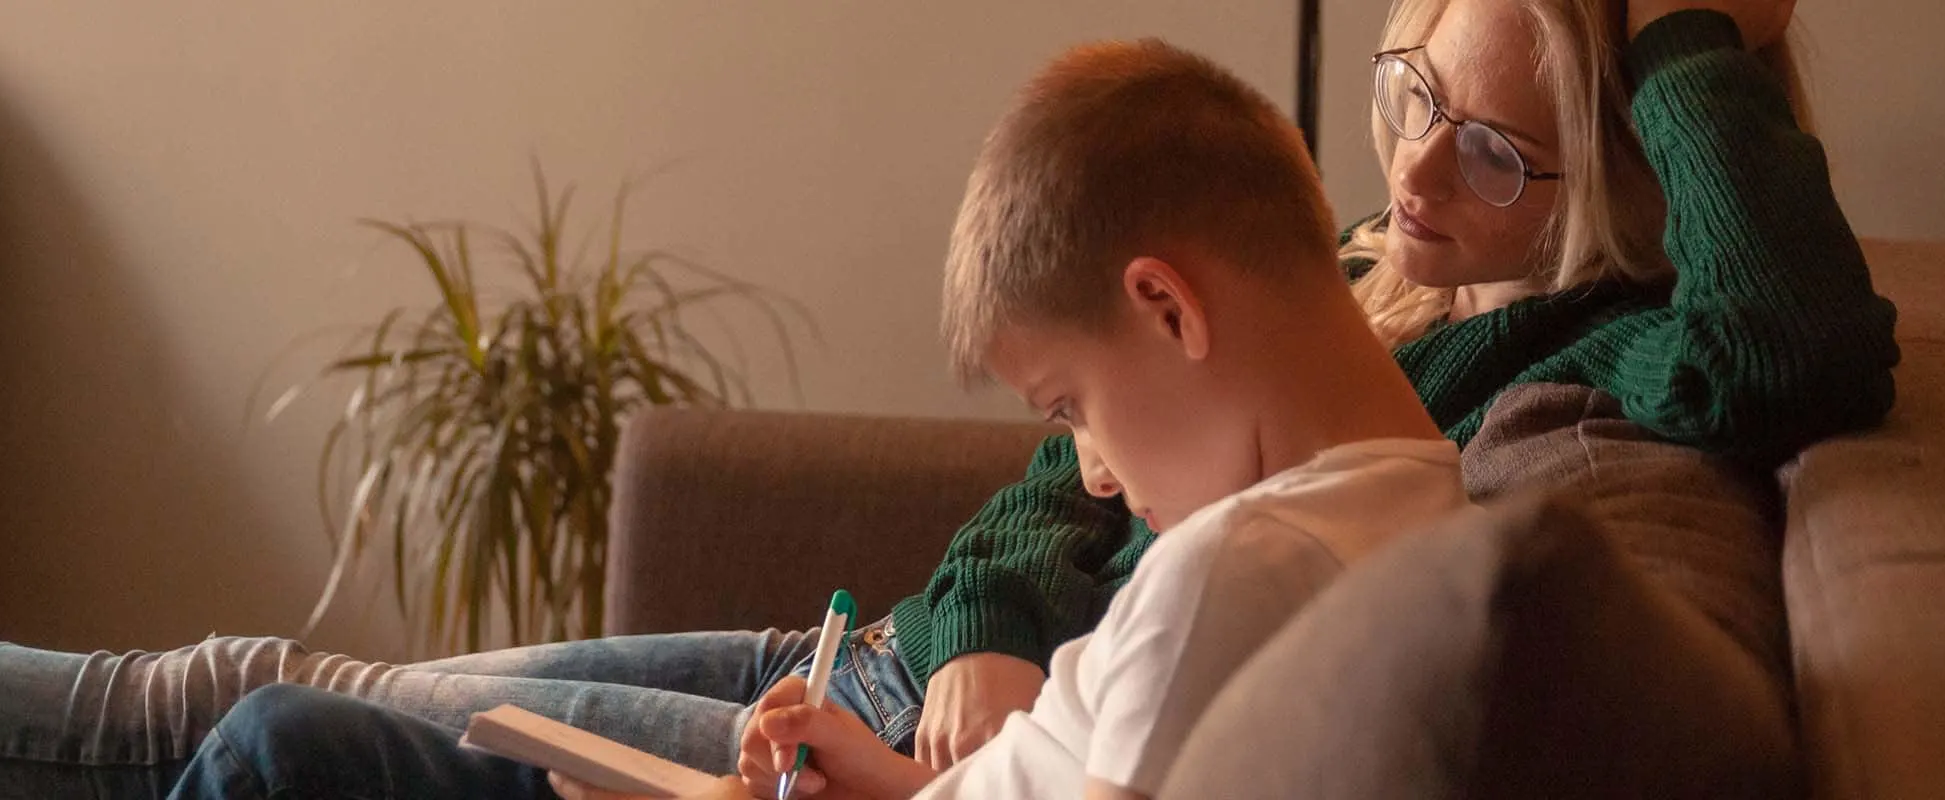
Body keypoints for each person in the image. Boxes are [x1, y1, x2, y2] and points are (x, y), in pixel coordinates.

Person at [0, 0, 1898, 792]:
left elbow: (1796, 343)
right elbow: (1040, 520)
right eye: (1415, 89)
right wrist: (965, 646)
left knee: (255, 703)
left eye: (1501, 148)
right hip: (890, 683)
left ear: (1607, 185)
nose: (1419, 167)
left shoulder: (1559, 365)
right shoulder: (1316, 309)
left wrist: (1692, 20)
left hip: (899, 734)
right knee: (262, 688)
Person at [173, 35, 1470, 799]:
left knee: (271, 737)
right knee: (272, 725)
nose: (1099, 476)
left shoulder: (1238, 570)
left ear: (1167, 309)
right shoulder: (1422, 509)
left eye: (1073, 408)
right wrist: (899, 783)